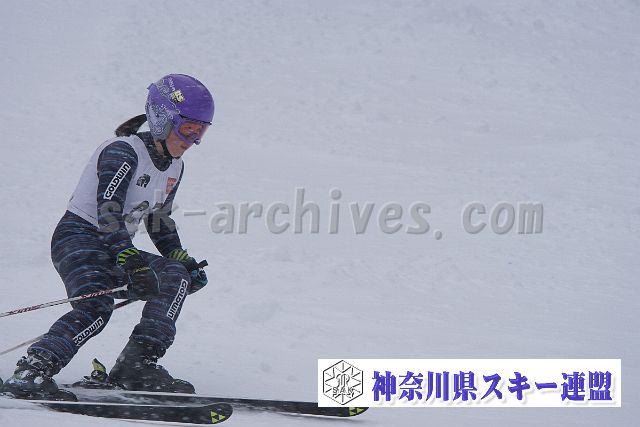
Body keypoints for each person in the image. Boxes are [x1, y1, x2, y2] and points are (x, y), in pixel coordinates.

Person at [1, 74, 214, 400]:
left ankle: (136, 366)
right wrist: (131, 260)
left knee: (174, 276)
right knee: (97, 306)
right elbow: (108, 213)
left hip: (115, 244)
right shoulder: (122, 152)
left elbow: (158, 219)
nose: (193, 139)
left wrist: (182, 259)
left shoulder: (175, 167)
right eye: (188, 128)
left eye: (201, 131)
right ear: (162, 118)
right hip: (78, 238)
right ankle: (32, 370)